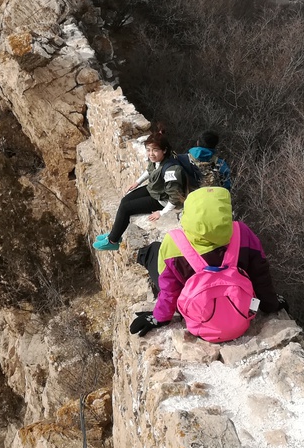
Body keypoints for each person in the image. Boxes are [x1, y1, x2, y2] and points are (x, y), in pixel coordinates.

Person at [130, 187, 284, 338]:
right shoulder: (242, 233)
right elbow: (261, 277)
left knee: (152, 251)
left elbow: (169, 289)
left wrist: (160, 317)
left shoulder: (174, 242)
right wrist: (272, 304)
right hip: (241, 316)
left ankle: (142, 255)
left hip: (199, 317)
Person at [93, 128, 187, 251]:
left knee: (126, 208)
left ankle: (112, 241)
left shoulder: (171, 170)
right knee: (125, 200)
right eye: (148, 150)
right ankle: (114, 233)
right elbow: (150, 170)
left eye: (155, 150)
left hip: (161, 199)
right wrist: (137, 182)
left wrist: (162, 212)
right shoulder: (157, 160)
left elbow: (175, 197)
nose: (151, 154)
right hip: (154, 190)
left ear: (164, 150)